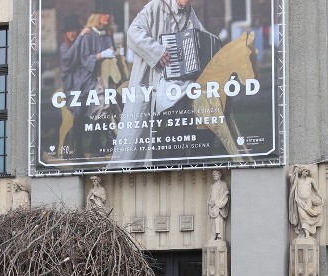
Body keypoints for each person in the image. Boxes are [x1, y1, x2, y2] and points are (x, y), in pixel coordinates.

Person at [111, 0, 221, 164]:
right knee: (168, 116)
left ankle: (195, 159)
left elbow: (201, 35)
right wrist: (158, 51)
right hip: (155, 79)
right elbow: (133, 33)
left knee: (206, 110)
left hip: (182, 82)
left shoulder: (190, 12)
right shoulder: (156, 6)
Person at [64, 0, 118, 158]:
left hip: (106, 80)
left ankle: (98, 144)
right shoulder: (88, 34)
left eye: (108, 13)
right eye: (103, 13)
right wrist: (101, 56)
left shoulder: (109, 34)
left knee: (110, 108)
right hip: (88, 79)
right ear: (96, 16)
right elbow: (83, 60)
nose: (106, 16)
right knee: (89, 110)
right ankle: (83, 147)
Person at [288, 166, 323, 238]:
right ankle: (305, 233)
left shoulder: (310, 180)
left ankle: (307, 234)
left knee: (306, 217)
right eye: (305, 171)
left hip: (308, 201)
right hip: (300, 201)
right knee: (302, 216)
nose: (306, 173)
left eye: (307, 171)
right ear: (301, 172)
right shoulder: (297, 180)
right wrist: (296, 172)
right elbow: (292, 182)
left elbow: (316, 190)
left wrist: (321, 197)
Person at [208, 170, 230, 240]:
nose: (215, 176)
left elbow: (226, 195)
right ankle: (213, 235)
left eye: (216, 175)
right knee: (213, 222)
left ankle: (219, 235)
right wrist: (211, 203)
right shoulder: (212, 186)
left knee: (218, 220)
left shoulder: (223, 184)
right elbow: (210, 197)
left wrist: (221, 203)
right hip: (213, 206)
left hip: (219, 206)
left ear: (220, 175)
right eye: (214, 175)